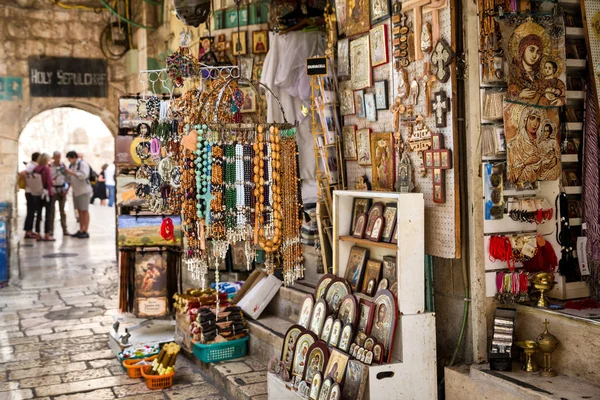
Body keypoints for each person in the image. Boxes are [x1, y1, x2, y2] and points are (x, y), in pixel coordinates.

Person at [65, 151, 93, 238]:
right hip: (76, 191)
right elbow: (70, 179)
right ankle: (81, 229)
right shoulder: (72, 166)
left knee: (84, 210)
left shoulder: (82, 164)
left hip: (83, 191)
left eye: (69, 158)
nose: (69, 161)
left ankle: (85, 230)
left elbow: (83, 175)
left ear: (73, 157)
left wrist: (71, 172)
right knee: (79, 211)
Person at [33, 153, 55, 241]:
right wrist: (53, 181)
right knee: (48, 214)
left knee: (38, 214)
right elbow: (49, 182)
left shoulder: (36, 168)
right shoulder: (46, 168)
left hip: (38, 193)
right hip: (47, 193)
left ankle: (38, 233)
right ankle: (47, 234)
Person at [21, 152, 41, 239]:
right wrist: (28, 183)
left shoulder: (32, 165)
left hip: (31, 191)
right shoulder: (33, 165)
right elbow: (23, 173)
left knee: (31, 212)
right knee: (31, 212)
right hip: (30, 192)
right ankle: (28, 232)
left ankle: (29, 230)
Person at [49, 151, 69, 236]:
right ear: (53, 157)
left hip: (61, 189)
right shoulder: (49, 167)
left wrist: (66, 189)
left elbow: (67, 178)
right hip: (53, 189)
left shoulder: (63, 166)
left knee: (62, 211)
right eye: (56, 157)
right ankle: (50, 230)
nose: (57, 159)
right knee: (51, 212)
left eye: (59, 157)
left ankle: (65, 229)